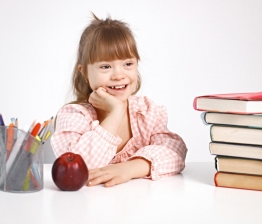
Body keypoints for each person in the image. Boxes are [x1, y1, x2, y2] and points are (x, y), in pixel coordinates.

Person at [51, 13, 187, 188]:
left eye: (128, 64)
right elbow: (79, 169)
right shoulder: (74, 116)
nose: (119, 75)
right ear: (84, 72)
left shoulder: (146, 112)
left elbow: (176, 151)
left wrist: (129, 168)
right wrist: (116, 112)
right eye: (105, 66)